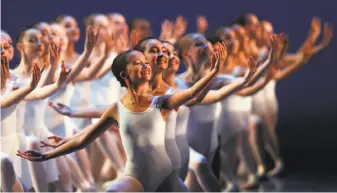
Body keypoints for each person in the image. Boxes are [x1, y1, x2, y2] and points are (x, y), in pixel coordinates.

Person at [18, 48, 223, 192]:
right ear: (125, 75)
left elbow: (193, 93)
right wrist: (46, 156)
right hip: (136, 178)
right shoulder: (117, 109)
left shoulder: (161, 102)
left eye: (145, 62)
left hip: (167, 180)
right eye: (137, 63)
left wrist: (214, 72)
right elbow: (83, 140)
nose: (144, 66)